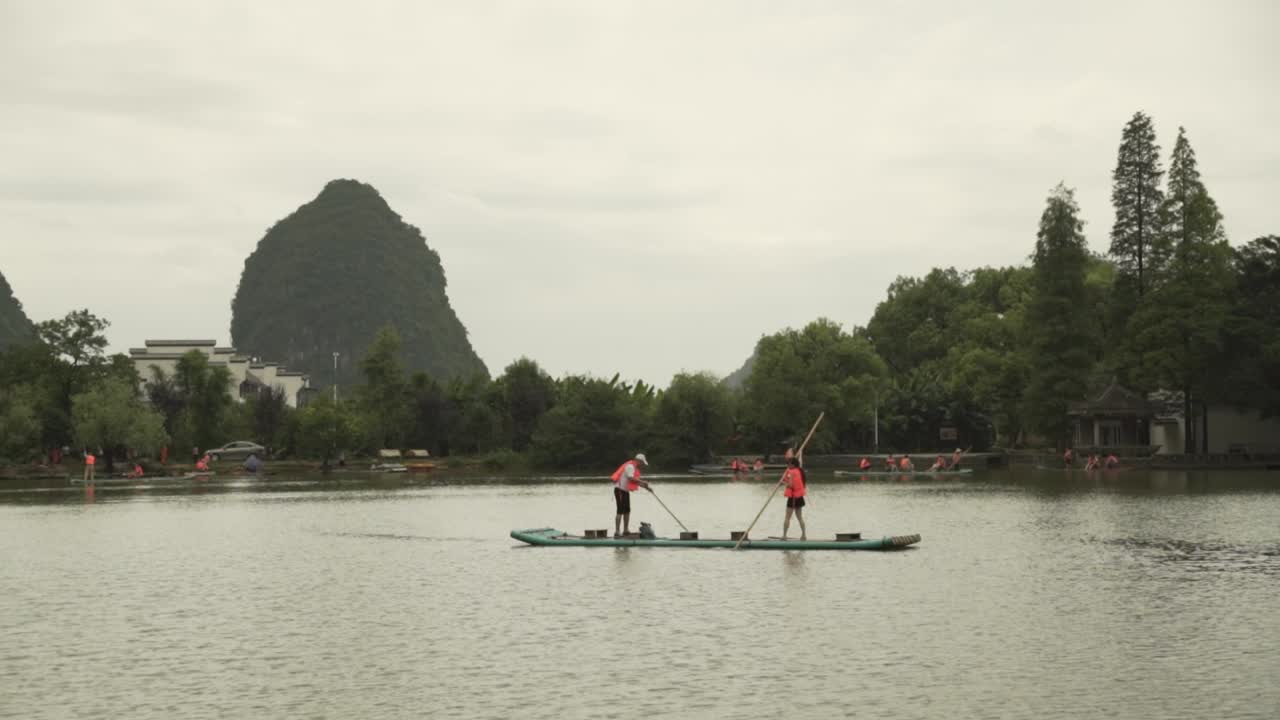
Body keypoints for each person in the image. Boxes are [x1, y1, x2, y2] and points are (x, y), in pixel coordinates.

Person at [610, 453, 651, 537]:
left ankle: (625, 530)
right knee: (620, 510)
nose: (642, 465)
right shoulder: (630, 466)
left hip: (625, 491)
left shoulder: (633, 468)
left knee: (627, 510)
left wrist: (647, 488)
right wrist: (643, 482)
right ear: (638, 461)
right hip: (620, 490)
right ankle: (617, 531)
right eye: (642, 463)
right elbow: (630, 478)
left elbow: (634, 481)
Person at [781, 457, 807, 541]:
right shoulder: (800, 471)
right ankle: (803, 535)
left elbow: (791, 485)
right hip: (799, 497)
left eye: (789, 464)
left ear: (793, 464)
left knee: (787, 517)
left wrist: (783, 483)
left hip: (793, 498)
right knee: (800, 517)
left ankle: (784, 536)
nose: (787, 466)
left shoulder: (791, 472)